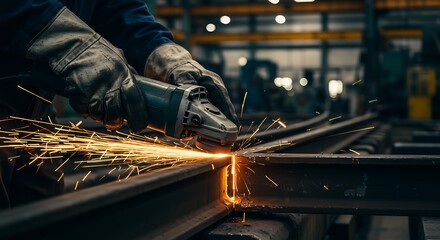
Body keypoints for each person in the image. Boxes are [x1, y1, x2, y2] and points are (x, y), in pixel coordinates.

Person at [0, 0, 239, 209]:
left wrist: (163, 54)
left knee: (40, 209)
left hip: (34, 103)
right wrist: (74, 46)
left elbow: (114, 8)